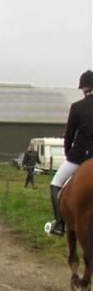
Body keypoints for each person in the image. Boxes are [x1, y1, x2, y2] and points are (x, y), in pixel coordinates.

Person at [47, 69, 93, 236]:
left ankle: (59, 224)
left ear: (83, 88)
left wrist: (68, 153)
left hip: (78, 156)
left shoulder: (77, 107)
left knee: (55, 184)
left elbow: (69, 135)